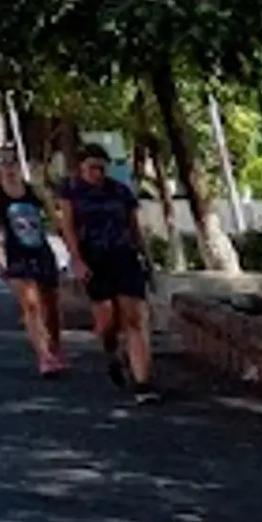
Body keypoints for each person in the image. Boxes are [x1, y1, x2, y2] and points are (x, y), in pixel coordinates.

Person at [58, 142, 157, 393]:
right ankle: (112, 351)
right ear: (81, 167)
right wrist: (77, 260)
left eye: (102, 168)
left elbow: (135, 227)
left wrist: (146, 258)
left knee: (134, 318)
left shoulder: (120, 192)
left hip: (124, 256)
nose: (97, 174)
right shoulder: (72, 192)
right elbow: (68, 228)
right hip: (94, 258)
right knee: (107, 319)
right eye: (92, 168)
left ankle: (142, 383)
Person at [0, 155, 69, 375]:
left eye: (13, 164)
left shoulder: (35, 192)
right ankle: (44, 357)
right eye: (4, 164)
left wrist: (72, 250)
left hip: (41, 252)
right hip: (15, 254)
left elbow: (56, 220)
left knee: (50, 304)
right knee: (30, 305)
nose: (9, 169)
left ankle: (55, 347)